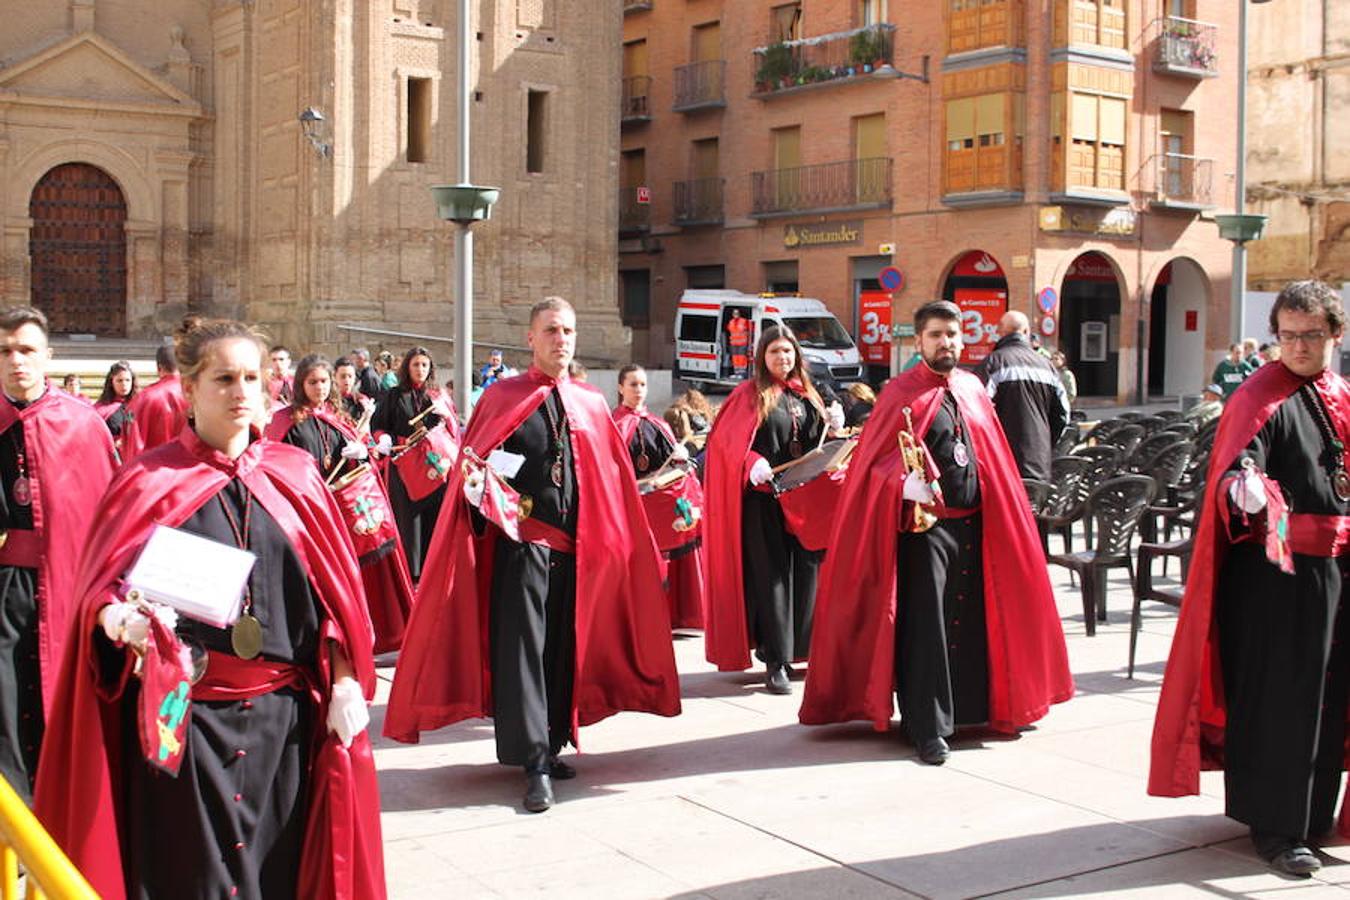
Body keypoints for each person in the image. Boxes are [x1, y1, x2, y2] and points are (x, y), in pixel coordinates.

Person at [34, 319, 385, 898]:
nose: (240, 391)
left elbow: (332, 602)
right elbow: (101, 589)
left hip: (283, 725)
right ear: (189, 389)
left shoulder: (296, 474)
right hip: (181, 720)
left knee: (278, 875)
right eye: (223, 378)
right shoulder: (148, 479)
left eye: (251, 377)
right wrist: (115, 618)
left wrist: (345, 680)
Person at [385, 297, 680, 813]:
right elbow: (478, 467)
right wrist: (477, 487)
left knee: (564, 649)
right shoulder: (503, 396)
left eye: (567, 331)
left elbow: (611, 482)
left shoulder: (591, 402)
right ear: (531, 339)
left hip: (578, 550)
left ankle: (554, 739)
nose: (560, 339)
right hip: (522, 546)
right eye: (550, 330)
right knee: (524, 651)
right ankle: (534, 761)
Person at [800, 300, 1074, 764]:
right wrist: (898, 481)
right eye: (935, 335)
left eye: (952, 334)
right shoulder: (899, 393)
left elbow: (992, 455)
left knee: (975, 622)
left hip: (976, 524)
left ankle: (972, 711)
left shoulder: (972, 387)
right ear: (919, 341)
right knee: (928, 628)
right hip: (924, 531)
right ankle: (928, 726)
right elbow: (871, 465)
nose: (945, 342)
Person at [1150, 280, 1350, 877]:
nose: (1298, 346)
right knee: (1281, 701)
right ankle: (1276, 827)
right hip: (1276, 582)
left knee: (1329, 697)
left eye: (1311, 335)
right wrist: (1245, 485)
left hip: (1338, 573)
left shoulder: (1339, 394)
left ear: (1335, 335)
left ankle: (1312, 816)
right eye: (1287, 335)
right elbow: (1241, 465)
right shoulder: (1258, 395)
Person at [0, 306, 117, 805]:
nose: (16, 360)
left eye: (26, 349)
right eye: (5, 351)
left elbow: (110, 518)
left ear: (47, 355)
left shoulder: (82, 424)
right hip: (4, 595)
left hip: (66, 590)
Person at [702, 326, 845, 694]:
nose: (783, 358)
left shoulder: (808, 394)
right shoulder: (748, 395)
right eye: (775, 352)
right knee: (772, 579)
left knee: (807, 576)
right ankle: (776, 661)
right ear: (762, 358)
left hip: (805, 499)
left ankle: (798, 651)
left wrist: (833, 429)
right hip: (764, 502)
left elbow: (816, 445)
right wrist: (751, 462)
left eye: (788, 351)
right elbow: (725, 444)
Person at [267, 354, 413, 654]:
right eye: (312, 382)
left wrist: (362, 453)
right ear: (300, 384)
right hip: (308, 513)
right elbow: (276, 466)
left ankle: (358, 635)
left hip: (342, 513)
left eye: (323, 381)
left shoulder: (336, 416)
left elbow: (364, 459)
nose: (319, 388)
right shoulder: (285, 421)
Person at [613, 364, 703, 630]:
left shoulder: (658, 423)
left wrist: (680, 459)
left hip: (660, 507)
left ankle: (669, 614)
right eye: (633, 384)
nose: (639, 390)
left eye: (642, 384)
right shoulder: (614, 425)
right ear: (620, 388)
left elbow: (676, 469)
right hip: (632, 506)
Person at [371, 346, 460, 580]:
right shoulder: (394, 395)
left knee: (435, 519)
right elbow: (377, 425)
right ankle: (412, 576)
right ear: (407, 367)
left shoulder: (438, 396)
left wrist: (446, 415)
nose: (420, 369)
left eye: (424, 365)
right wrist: (384, 439)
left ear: (430, 368)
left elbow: (453, 433)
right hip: (404, 468)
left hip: (435, 467)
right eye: (415, 365)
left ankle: (434, 573)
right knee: (409, 524)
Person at [974, 310, 1070, 482]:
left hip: (1001, 467)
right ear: (1026, 331)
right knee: (1034, 500)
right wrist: (1044, 444)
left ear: (1000, 331)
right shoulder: (1047, 367)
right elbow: (1063, 415)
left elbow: (975, 415)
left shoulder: (992, 364)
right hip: (1039, 464)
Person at [122, 343, 189, 461]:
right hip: (194, 468)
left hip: (154, 467)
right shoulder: (199, 394)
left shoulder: (142, 399)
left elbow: (133, 447)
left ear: (159, 368)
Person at [95, 360, 138, 457]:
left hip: (136, 457)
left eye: (127, 380)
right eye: (119, 380)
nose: (124, 384)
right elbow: (94, 438)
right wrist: (113, 443)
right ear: (112, 382)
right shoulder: (101, 409)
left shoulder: (140, 404)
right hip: (111, 457)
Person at [332, 354, 372, 428]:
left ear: (354, 378)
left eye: (350, 376)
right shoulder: (329, 401)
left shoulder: (362, 400)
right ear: (334, 377)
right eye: (343, 376)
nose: (347, 380)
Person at [726, 309, 752, 379]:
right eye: (734, 313)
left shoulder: (744, 321)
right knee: (735, 359)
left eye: (737, 313)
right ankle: (736, 373)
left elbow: (749, 332)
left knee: (742, 359)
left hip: (742, 344)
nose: (735, 314)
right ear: (732, 314)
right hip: (733, 344)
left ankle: (742, 374)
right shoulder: (731, 322)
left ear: (739, 314)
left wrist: (749, 344)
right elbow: (729, 331)